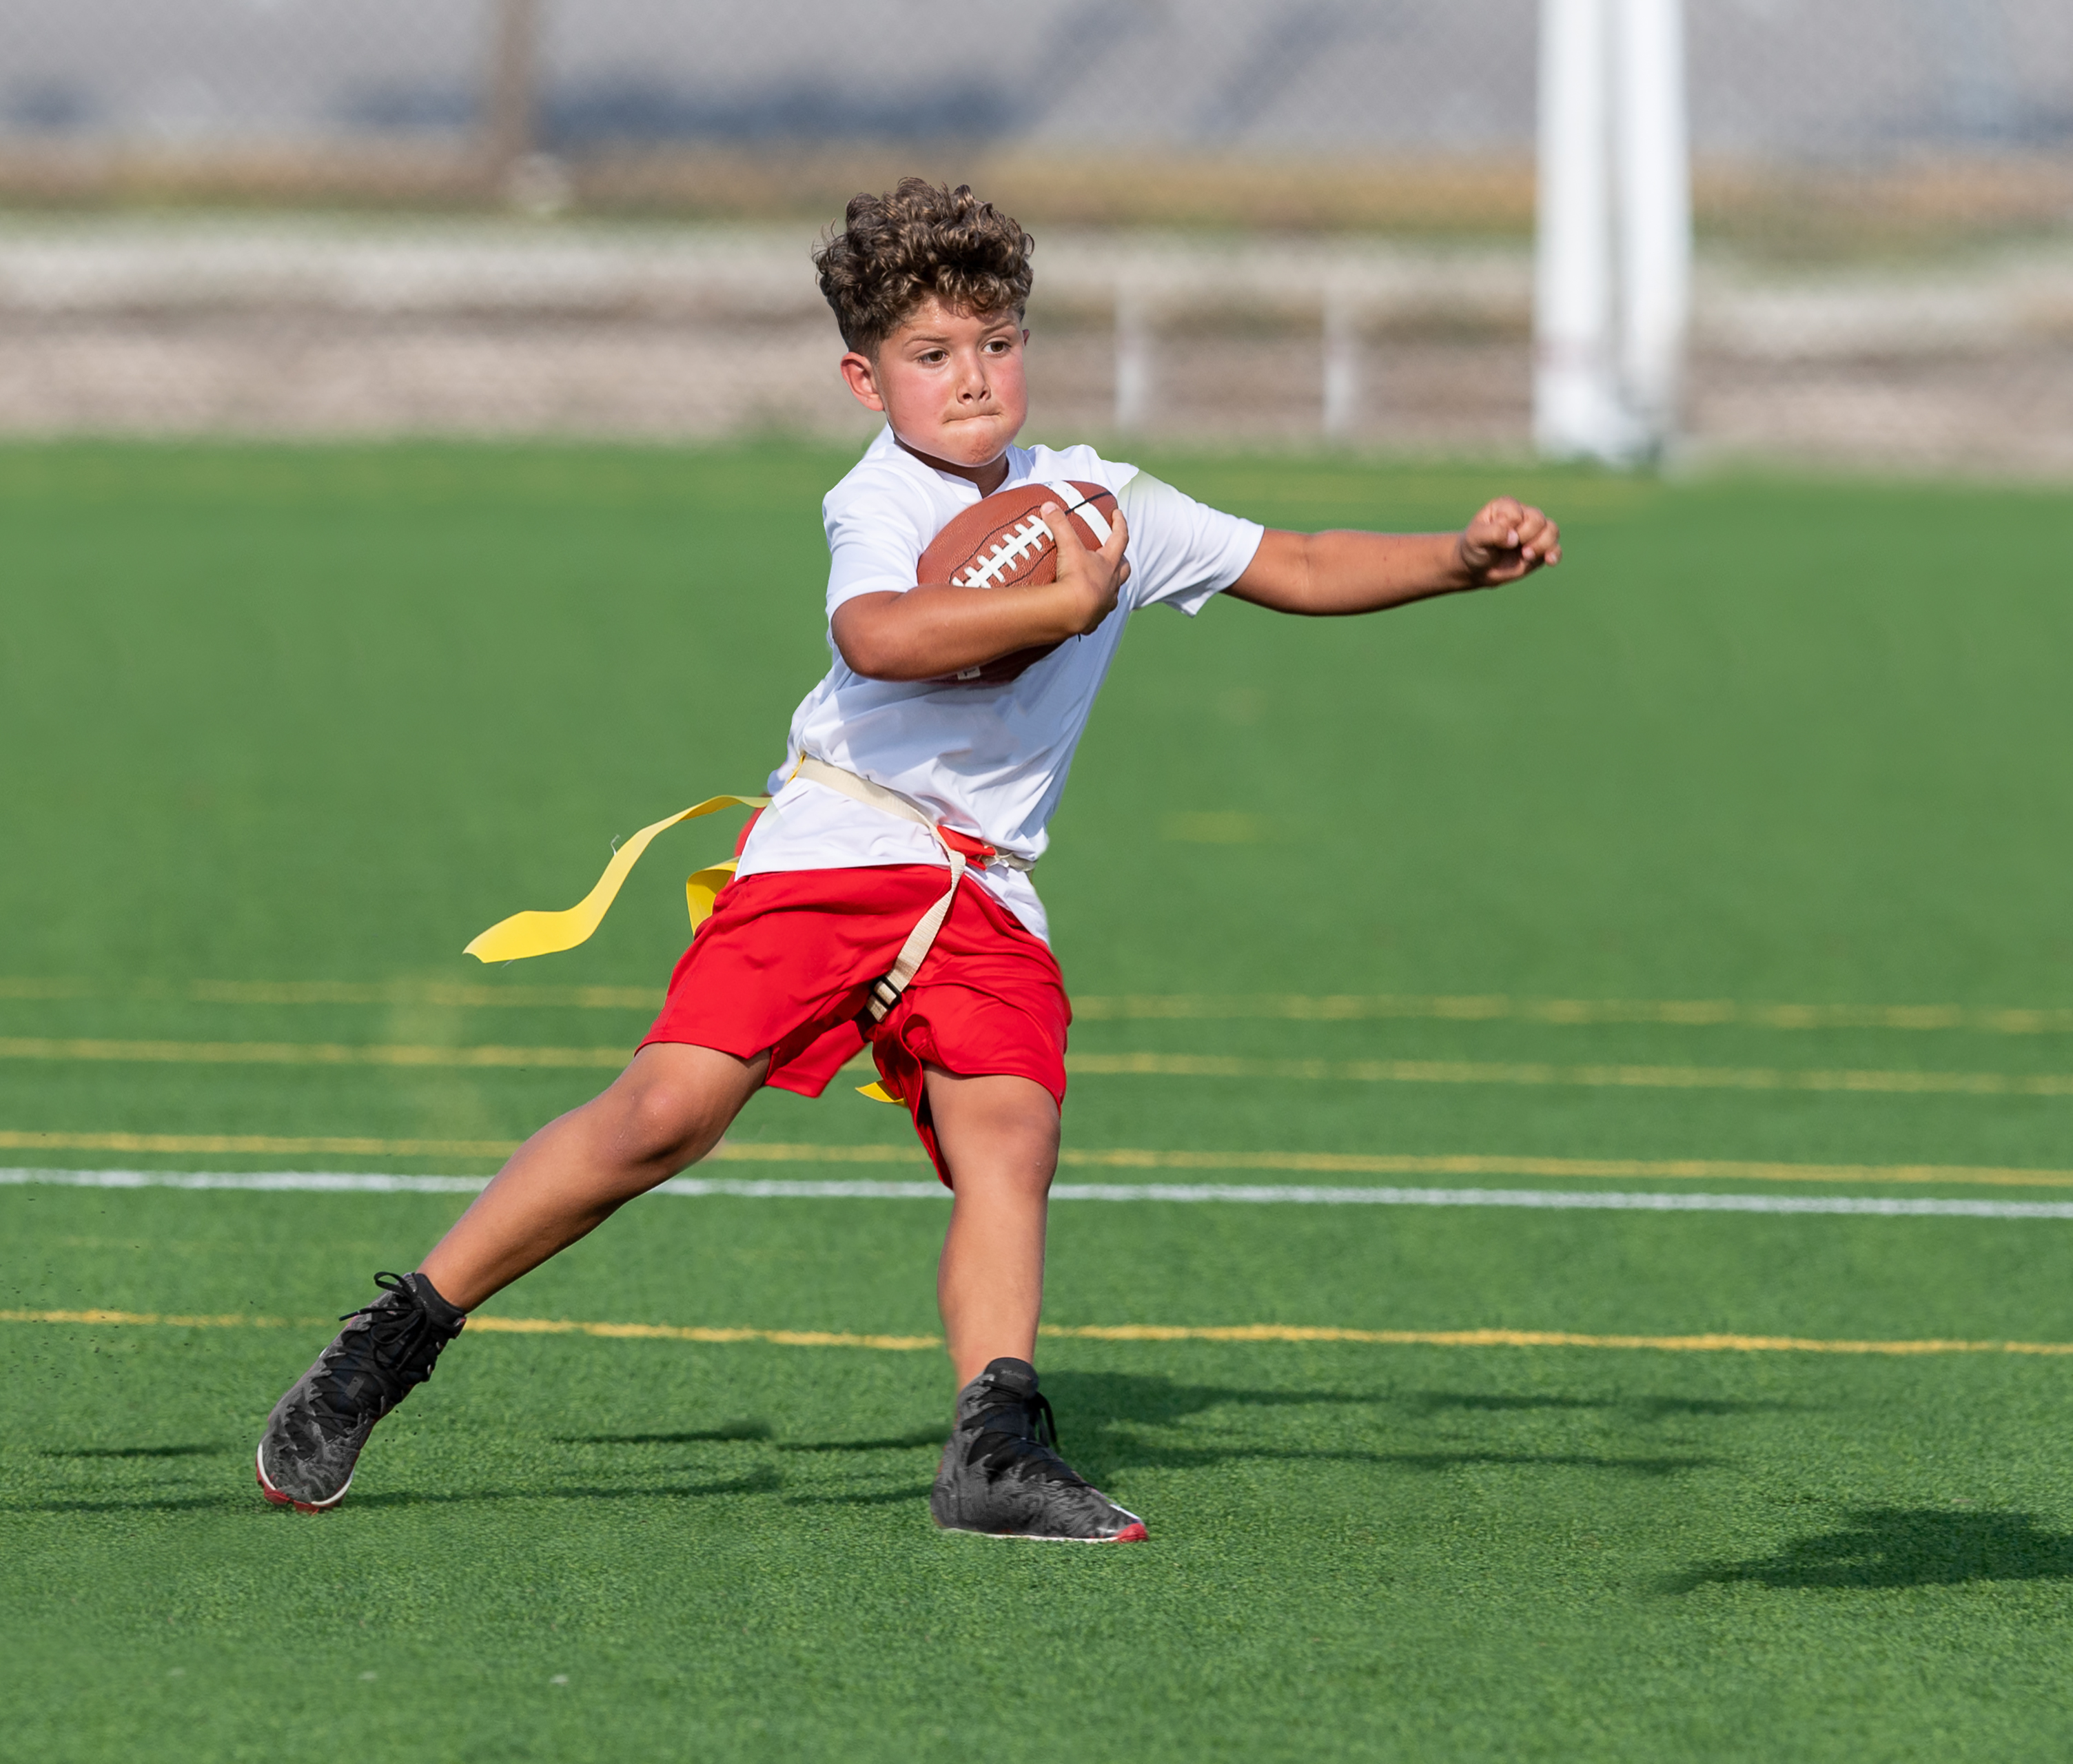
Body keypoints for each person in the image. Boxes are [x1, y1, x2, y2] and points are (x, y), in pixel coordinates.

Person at [255, 178, 1560, 1541]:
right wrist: (1061, 602)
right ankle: (389, 1341)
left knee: (1012, 1131)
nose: (972, 377)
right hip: (844, 838)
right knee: (665, 1113)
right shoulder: (874, 499)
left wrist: (1457, 558)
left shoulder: (1100, 498)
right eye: (931, 356)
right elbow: (880, 635)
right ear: (863, 378)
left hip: (982, 878)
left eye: (996, 343)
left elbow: (1289, 557)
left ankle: (995, 1440)